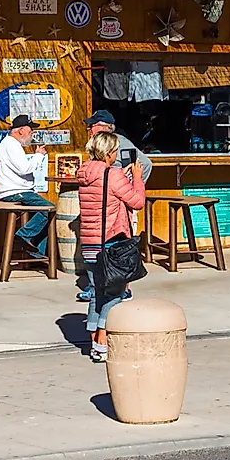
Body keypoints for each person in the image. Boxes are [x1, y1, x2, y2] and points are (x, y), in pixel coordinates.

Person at [72, 126, 146, 362]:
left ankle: (93, 339)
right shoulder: (112, 175)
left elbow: (104, 190)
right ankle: (103, 341)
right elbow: (137, 202)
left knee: (97, 293)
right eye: (114, 151)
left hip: (90, 244)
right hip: (111, 244)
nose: (116, 154)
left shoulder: (84, 172)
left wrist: (120, 175)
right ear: (108, 153)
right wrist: (135, 178)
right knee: (115, 294)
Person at [0, 116, 52, 262]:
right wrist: (38, 156)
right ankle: (24, 236)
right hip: (15, 192)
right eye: (31, 130)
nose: (32, 133)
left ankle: (36, 251)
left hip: (16, 190)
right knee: (48, 209)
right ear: (22, 130)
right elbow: (24, 168)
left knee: (44, 213)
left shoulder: (10, 144)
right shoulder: (11, 144)